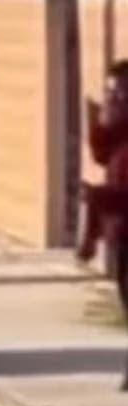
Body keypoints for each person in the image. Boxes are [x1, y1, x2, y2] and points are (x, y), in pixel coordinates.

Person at [78, 61, 128, 265]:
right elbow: (101, 157)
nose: (113, 98)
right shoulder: (118, 129)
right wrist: (101, 124)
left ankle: (90, 243)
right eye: (109, 92)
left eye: (120, 92)